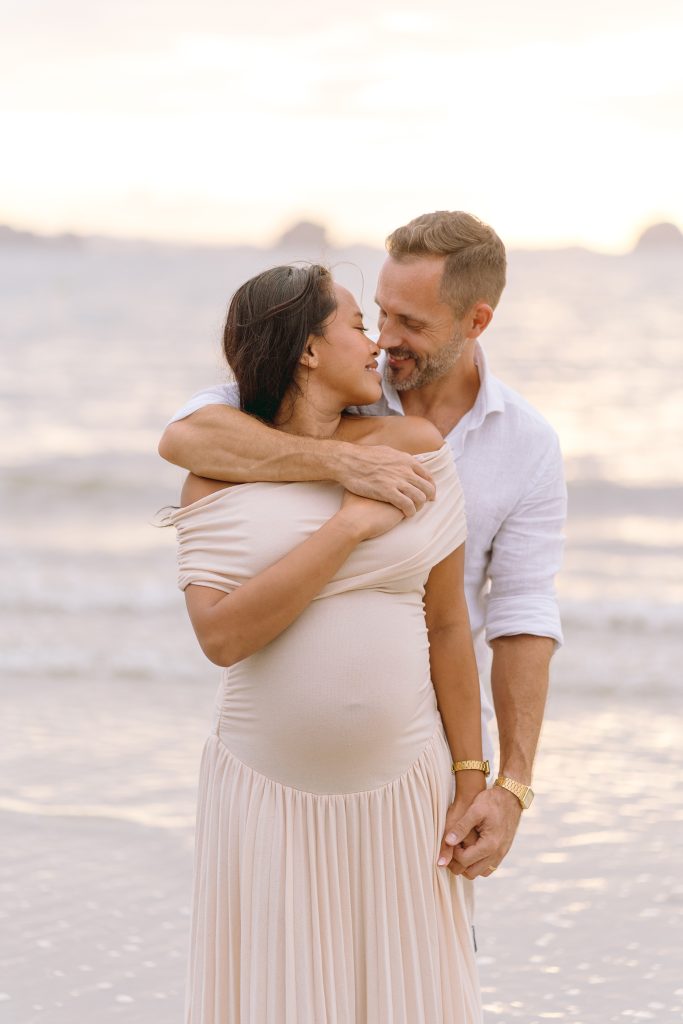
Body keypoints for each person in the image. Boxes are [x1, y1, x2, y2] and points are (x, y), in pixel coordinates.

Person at [159, 210, 567, 880]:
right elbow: (186, 437)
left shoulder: (526, 445)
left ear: (475, 322)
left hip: (426, 758)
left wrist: (506, 784)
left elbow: (517, 615)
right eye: (377, 314)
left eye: (410, 323)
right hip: (277, 762)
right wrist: (338, 462)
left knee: (418, 967)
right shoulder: (322, 389)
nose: (385, 338)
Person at [165, 264, 486, 1021]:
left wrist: (473, 778)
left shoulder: (413, 444)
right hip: (262, 793)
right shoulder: (214, 474)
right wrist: (346, 526)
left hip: (406, 790)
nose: (375, 341)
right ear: (307, 350)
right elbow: (221, 636)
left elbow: (446, 626)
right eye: (353, 324)